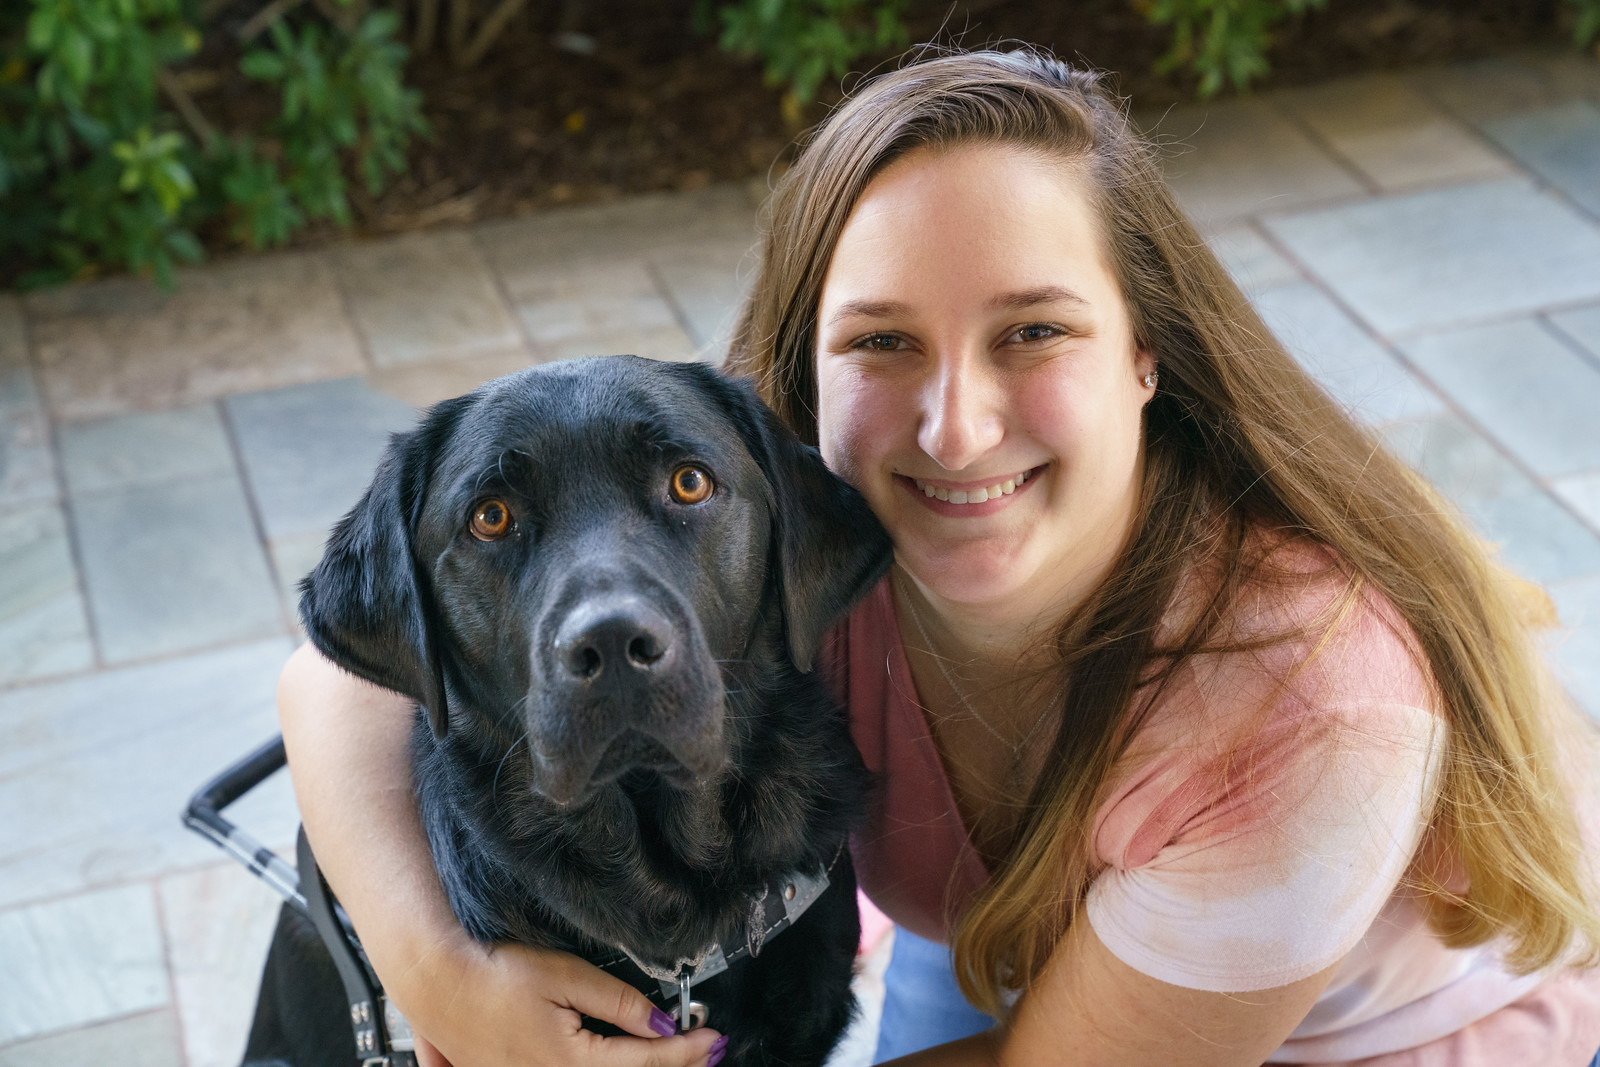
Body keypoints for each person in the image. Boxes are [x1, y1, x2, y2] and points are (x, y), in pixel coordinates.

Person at [276, 48, 1600, 1067]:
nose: (955, 428)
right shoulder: (787, 508)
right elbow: (331, 684)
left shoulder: (1313, 712)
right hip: (1015, 943)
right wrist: (435, 972)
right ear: (798, 378)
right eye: (882, 342)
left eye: (1033, 331)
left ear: (1151, 352)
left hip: (1357, 1032)